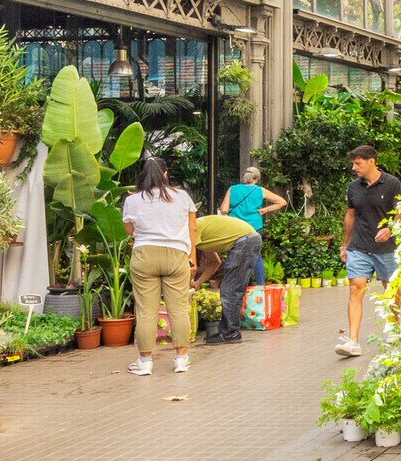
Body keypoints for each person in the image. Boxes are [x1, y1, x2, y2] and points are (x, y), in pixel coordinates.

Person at [120, 157, 197, 376]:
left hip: (145, 256)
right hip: (176, 255)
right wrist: (192, 258)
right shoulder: (182, 197)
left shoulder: (132, 200)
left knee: (146, 311)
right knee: (179, 308)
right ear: (165, 174)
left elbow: (129, 231)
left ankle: (145, 363)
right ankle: (181, 359)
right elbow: (192, 228)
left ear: (142, 175)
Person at [336, 145, 401, 358]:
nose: (354, 167)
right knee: (356, 288)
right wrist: (345, 244)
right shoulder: (353, 187)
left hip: (385, 247)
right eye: (353, 163)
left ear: (371, 161)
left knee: (391, 288)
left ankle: (393, 327)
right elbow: (350, 216)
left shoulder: (392, 183)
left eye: (358, 163)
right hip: (359, 246)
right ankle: (353, 341)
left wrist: (391, 228)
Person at [192, 213, 260, 345]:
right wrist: (197, 283)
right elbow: (214, 262)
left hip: (245, 241)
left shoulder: (194, 229)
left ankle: (230, 333)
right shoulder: (202, 234)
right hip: (247, 239)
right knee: (231, 289)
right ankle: (229, 331)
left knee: (230, 290)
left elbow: (190, 263)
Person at [219, 166, 287, 285]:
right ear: (255, 179)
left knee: (234, 255)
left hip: (236, 227)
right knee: (256, 256)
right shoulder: (260, 190)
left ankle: (233, 285)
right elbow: (282, 202)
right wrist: (265, 209)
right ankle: (260, 286)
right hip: (254, 227)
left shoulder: (232, 189)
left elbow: (224, 210)